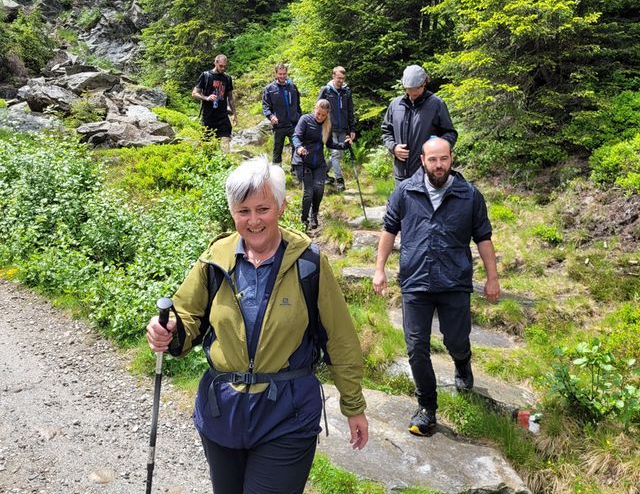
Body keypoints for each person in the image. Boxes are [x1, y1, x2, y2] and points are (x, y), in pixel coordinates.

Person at [146, 156, 368, 494]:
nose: (253, 221)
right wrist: (169, 329)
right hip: (223, 412)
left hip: (287, 414)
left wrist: (353, 406)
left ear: (280, 206)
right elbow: (186, 315)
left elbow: (340, 338)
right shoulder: (214, 259)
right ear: (232, 212)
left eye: (262, 209)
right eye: (243, 211)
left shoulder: (309, 262)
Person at [372, 137, 500, 436]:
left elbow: (483, 237)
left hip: (454, 281)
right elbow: (389, 230)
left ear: (451, 158)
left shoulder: (469, 195)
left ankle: (462, 362)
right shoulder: (405, 191)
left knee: (456, 340)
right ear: (422, 160)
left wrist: (492, 277)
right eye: (433, 159)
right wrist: (379, 269)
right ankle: (427, 407)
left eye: (443, 159)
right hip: (415, 281)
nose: (438, 165)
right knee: (416, 347)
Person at [381, 64, 457, 183]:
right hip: (401, 174)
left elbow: (450, 134)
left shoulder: (436, 104)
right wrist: (393, 147)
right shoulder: (395, 105)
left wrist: (437, 149)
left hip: (427, 175)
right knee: (401, 201)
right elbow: (386, 131)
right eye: (409, 88)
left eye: (417, 88)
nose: (413, 92)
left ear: (424, 83)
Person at [292, 99, 352, 231]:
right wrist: (299, 147)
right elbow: (296, 136)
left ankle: (314, 215)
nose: (320, 117)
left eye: (323, 115)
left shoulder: (327, 125)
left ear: (327, 114)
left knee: (319, 189)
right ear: (315, 109)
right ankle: (304, 220)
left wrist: (343, 145)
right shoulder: (305, 120)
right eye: (318, 113)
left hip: (318, 163)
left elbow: (330, 144)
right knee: (308, 192)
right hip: (302, 161)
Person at [317, 66, 356, 191]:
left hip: (343, 127)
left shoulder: (346, 91)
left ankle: (323, 171)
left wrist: (352, 129)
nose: (341, 81)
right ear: (333, 76)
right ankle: (340, 181)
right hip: (330, 127)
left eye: (343, 78)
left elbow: (350, 111)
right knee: (335, 153)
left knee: (338, 155)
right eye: (338, 78)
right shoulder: (326, 90)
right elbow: (318, 108)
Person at [192, 54, 238, 151]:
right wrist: (206, 98)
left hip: (223, 117)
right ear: (215, 63)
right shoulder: (206, 76)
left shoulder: (227, 78)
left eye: (225, 66)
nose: (223, 68)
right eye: (221, 66)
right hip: (208, 116)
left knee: (225, 142)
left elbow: (230, 98)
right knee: (206, 145)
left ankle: (225, 163)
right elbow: (194, 93)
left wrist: (234, 115)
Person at [262, 62, 302, 168]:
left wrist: (299, 117)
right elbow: (266, 107)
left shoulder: (293, 87)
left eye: (284, 74)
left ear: (287, 73)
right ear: (276, 74)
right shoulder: (269, 89)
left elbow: (298, 105)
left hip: (293, 124)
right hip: (279, 125)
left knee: (297, 146)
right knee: (277, 149)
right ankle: (276, 171)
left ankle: (295, 170)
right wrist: (271, 116)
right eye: (280, 74)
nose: (282, 76)